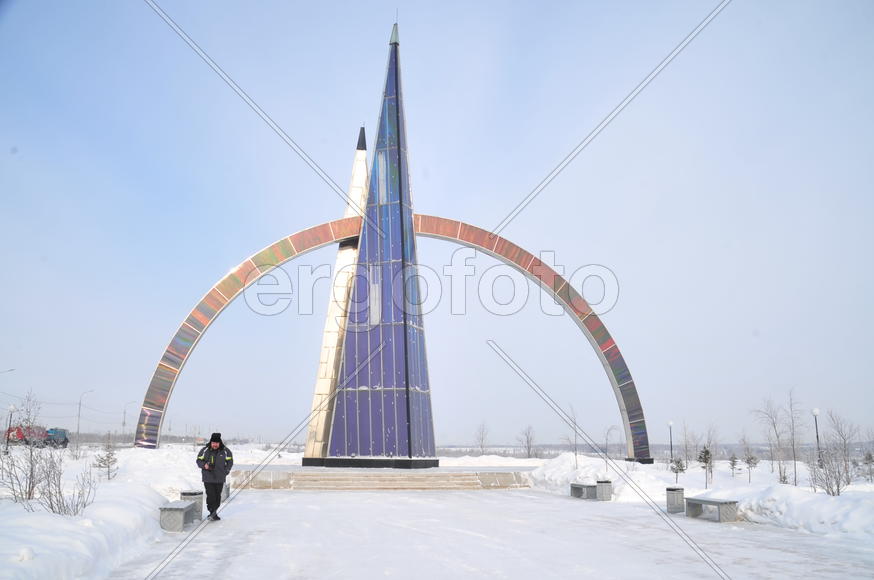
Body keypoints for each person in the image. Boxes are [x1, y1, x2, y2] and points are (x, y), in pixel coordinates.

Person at [196, 432, 233, 520]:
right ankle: (211, 512)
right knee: (210, 495)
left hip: (220, 478)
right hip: (208, 477)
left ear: (219, 443)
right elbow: (198, 461)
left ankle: (214, 513)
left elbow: (230, 462)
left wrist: (226, 471)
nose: (214, 445)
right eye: (213, 443)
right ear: (211, 442)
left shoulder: (225, 451)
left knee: (217, 496)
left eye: (216, 443)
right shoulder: (205, 450)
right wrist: (204, 465)